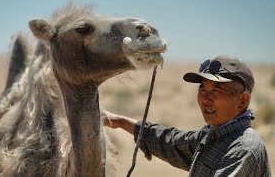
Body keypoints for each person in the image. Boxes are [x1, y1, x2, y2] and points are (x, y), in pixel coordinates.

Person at [102, 56, 272, 176]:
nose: (206, 99)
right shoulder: (213, 135)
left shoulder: (243, 148)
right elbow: (170, 142)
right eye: (202, 90)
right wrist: (120, 121)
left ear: (242, 100)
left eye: (216, 90)